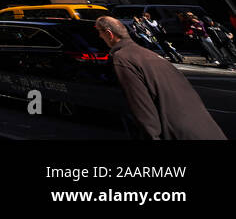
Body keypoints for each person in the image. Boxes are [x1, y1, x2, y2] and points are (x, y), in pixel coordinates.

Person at [94, 16, 224, 140]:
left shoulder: (123, 59)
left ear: (109, 34)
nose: (99, 36)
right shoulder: (150, 55)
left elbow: (142, 108)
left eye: (99, 32)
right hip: (206, 128)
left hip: (178, 133)